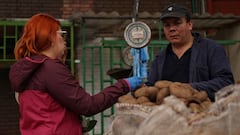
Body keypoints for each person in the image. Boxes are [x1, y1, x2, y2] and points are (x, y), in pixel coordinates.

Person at [9, 13, 143, 135]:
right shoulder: (50, 68)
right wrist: (124, 85)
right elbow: (87, 105)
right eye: (61, 34)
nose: (64, 40)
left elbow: (48, 110)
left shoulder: (27, 69)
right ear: (49, 36)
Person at [146, 3, 234, 101]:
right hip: (168, 113)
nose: (172, 29)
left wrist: (189, 88)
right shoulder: (160, 59)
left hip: (202, 112)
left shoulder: (211, 49)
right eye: (167, 25)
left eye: (177, 23)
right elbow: (150, 87)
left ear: (190, 25)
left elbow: (226, 82)